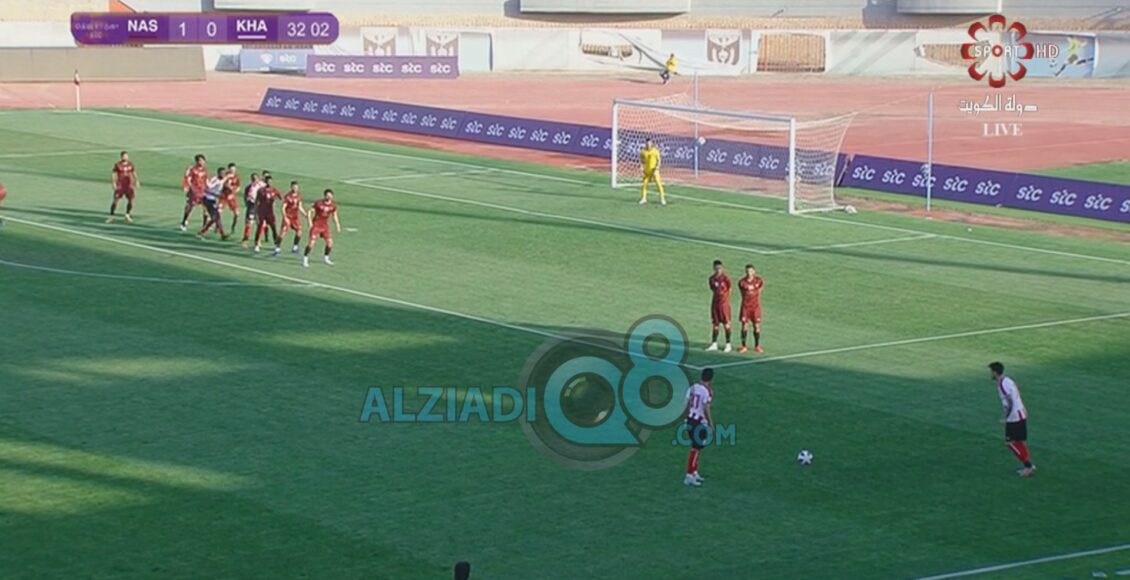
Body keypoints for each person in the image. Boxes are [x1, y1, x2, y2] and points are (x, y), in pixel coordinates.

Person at [990, 362, 1035, 477]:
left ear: (995, 372)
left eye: (991, 371)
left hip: (1014, 417)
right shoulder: (1008, 380)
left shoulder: (1002, 385)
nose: (990, 374)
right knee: (1020, 442)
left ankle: (1028, 466)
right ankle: (1028, 465)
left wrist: (1005, 418)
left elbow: (1010, 402)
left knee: (1009, 443)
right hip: (1021, 413)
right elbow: (1016, 394)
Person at [683, 367, 714, 487]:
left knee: (697, 447)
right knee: (696, 448)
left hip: (690, 420)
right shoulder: (707, 391)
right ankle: (689, 475)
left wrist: (686, 418)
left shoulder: (693, 387)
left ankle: (694, 471)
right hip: (699, 422)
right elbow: (706, 408)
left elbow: (687, 403)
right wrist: (711, 423)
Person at [303, 188, 341, 267]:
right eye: (328, 195)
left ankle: (326, 258)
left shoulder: (333, 205)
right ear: (324, 196)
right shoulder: (319, 203)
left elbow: (334, 215)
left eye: (330, 196)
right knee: (311, 243)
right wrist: (309, 222)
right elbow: (310, 211)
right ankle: (305, 258)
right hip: (316, 225)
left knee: (330, 243)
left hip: (325, 226)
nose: (329, 197)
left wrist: (337, 224)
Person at [737, 264, 765, 354]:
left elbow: (760, 290)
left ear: (754, 271)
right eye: (747, 271)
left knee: (756, 326)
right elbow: (742, 293)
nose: (749, 273)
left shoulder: (759, 281)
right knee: (744, 326)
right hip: (745, 307)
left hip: (755, 307)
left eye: (750, 271)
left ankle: (757, 346)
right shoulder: (742, 282)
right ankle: (743, 346)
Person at [706, 260, 732, 352]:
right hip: (715, 304)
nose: (718, 270)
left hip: (724, 305)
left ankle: (728, 344)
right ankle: (714, 344)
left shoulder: (726, 279)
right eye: (716, 268)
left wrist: (726, 300)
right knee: (715, 324)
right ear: (714, 268)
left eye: (720, 268)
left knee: (726, 324)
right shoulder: (711, 279)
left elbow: (729, 289)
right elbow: (713, 289)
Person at [197, 168, 230, 240]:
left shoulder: (223, 179)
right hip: (208, 199)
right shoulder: (215, 180)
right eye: (221, 173)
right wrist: (216, 195)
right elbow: (207, 188)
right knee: (216, 217)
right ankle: (222, 234)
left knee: (215, 218)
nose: (223, 174)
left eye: (224, 173)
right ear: (218, 173)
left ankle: (202, 232)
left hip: (213, 200)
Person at [107, 150, 139, 224]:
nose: (126, 157)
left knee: (131, 200)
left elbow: (134, 172)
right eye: (124, 156)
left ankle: (127, 214)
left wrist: (136, 181)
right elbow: (113, 173)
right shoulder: (117, 165)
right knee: (115, 201)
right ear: (121, 157)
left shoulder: (131, 164)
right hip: (120, 186)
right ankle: (111, 216)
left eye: (126, 156)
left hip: (129, 185)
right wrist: (113, 182)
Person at [254, 175, 282, 255]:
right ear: (265, 182)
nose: (270, 183)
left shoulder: (274, 190)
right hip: (262, 212)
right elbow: (256, 202)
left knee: (273, 228)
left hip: (270, 212)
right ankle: (256, 244)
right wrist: (256, 213)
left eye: (271, 181)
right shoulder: (261, 191)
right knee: (260, 227)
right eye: (268, 181)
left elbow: (281, 198)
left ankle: (276, 245)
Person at [180, 154, 208, 231]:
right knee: (190, 206)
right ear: (197, 161)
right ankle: (184, 221)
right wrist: (188, 187)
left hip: (203, 191)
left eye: (203, 160)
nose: (202, 162)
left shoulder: (205, 170)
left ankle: (205, 225)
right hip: (194, 191)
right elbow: (188, 179)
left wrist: (208, 188)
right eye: (201, 160)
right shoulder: (192, 169)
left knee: (206, 208)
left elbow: (206, 180)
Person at [280, 180, 306, 253]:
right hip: (288, 216)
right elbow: (283, 208)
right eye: (294, 187)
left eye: (296, 187)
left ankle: (295, 247)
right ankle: (277, 247)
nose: (295, 189)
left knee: (299, 232)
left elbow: (300, 207)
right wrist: (285, 217)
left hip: (295, 217)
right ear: (291, 187)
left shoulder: (299, 195)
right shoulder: (287, 196)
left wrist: (305, 214)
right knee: (283, 232)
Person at [638, 138, 665, 206]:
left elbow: (659, 160)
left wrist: (657, 167)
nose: (648, 144)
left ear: (651, 143)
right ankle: (644, 198)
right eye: (647, 143)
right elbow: (641, 160)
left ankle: (662, 199)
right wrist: (641, 167)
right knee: (644, 184)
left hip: (654, 171)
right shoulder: (643, 152)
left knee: (658, 184)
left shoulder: (655, 151)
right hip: (647, 171)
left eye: (649, 143)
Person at [240, 172, 263, 248]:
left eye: (256, 178)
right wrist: (247, 204)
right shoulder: (249, 187)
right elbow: (246, 197)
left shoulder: (262, 185)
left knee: (261, 224)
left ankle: (258, 240)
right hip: (252, 206)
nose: (254, 180)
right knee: (249, 224)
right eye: (253, 178)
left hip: (260, 207)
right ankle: (245, 240)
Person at [218, 162, 241, 234]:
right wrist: (227, 186)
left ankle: (233, 227)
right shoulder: (225, 175)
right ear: (228, 169)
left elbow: (238, 186)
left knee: (237, 214)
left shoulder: (236, 176)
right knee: (218, 212)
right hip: (223, 197)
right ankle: (217, 226)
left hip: (231, 197)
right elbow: (222, 183)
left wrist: (236, 190)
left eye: (234, 169)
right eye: (231, 169)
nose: (233, 170)